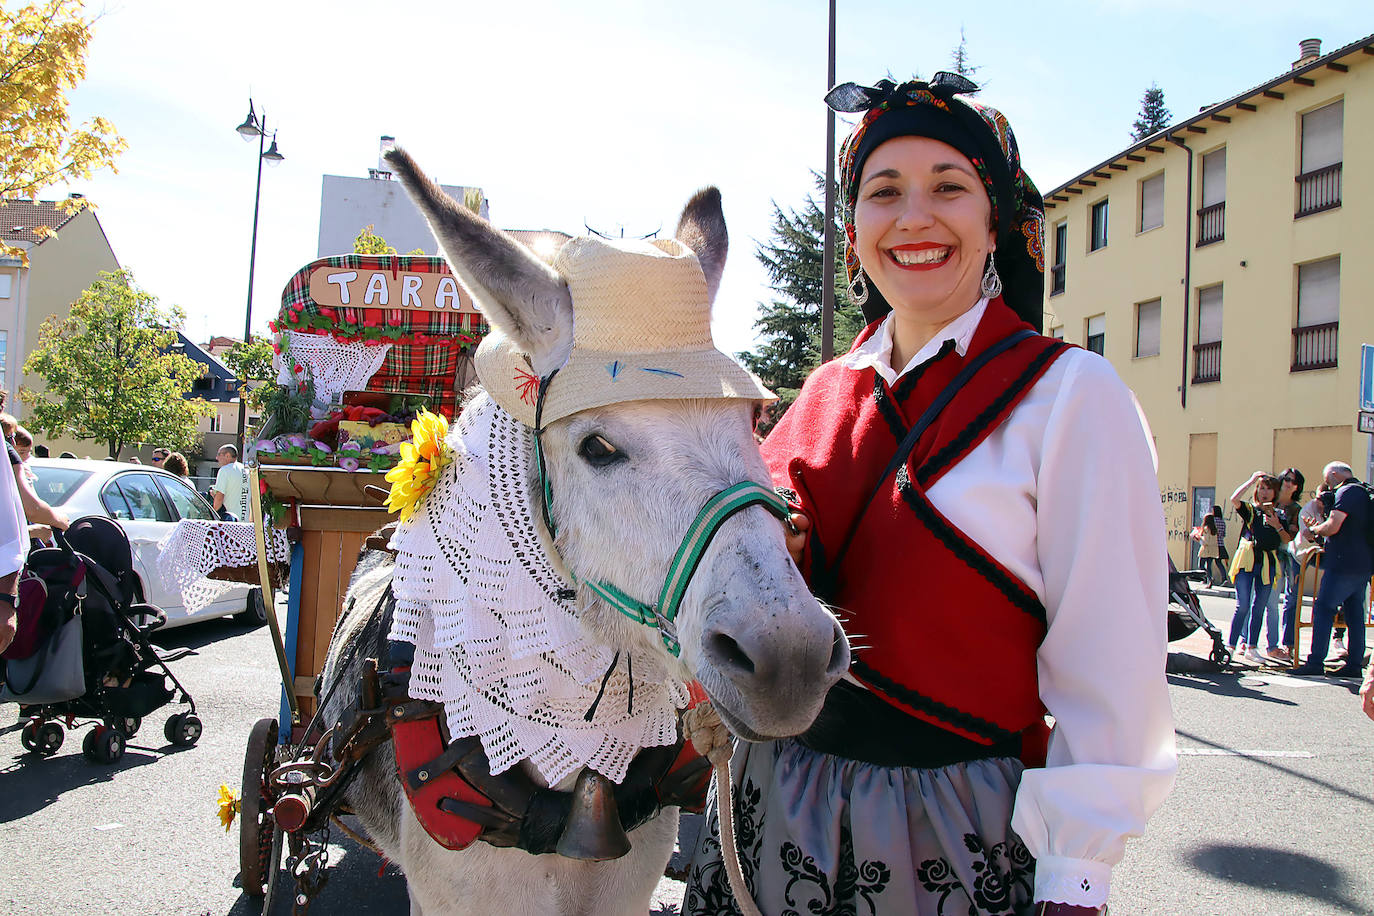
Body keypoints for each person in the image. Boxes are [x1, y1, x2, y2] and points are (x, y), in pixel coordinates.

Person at [686, 73, 1175, 916]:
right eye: (884, 192)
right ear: (856, 232)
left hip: (954, 829)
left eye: (949, 187)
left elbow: (1113, 660)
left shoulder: (1070, 397)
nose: (913, 216)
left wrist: (1077, 878)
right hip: (775, 804)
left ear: (997, 223)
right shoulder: (819, 395)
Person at [1292, 462, 1370, 677]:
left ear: (1334, 475)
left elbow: (1334, 526)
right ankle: (1354, 665)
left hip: (1342, 563)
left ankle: (1315, 662)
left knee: (1324, 608)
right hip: (1363, 564)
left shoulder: (1346, 492)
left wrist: (1315, 529)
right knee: (1355, 614)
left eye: (1328, 481)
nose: (1328, 487)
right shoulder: (1363, 492)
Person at [1226, 472, 1289, 664]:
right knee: (1243, 604)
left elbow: (1287, 539)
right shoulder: (1251, 510)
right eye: (1261, 488)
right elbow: (1234, 499)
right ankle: (1231, 645)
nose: (1265, 492)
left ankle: (1252, 646)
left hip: (1267, 562)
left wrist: (1277, 525)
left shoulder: (1280, 515)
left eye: (1269, 488)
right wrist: (1251, 480)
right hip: (1247, 560)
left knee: (1259, 606)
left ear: (1275, 492)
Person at [1263, 468, 1304, 663]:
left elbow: (1292, 538)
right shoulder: (1270, 503)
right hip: (1270, 554)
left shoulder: (1297, 510)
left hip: (1291, 557)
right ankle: (1256, 643)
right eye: (1286, 479)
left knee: (1292, 600)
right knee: (1268, 600)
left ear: (1297, 487)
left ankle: (1289, 644)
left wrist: (1278, 527)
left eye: (1293, 481)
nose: (1288, 483)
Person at [211, 444, 248, 522]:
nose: (216, 458)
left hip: (230, 521)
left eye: (219, 454)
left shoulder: (224, 470)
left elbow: (219, 498)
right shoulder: (246, 470)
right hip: (247, 522)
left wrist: (212, 514)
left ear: (227, 455)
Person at [1198, 513, 1224, 585]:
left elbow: (1206, 541)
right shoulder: (1214, 529)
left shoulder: (1206, 529)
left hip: (1206, 550)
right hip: (1213, 550)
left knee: (1201, 565)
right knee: (1209, 566)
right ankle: (1208, 580)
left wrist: (1199, 537)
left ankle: (1208, 578)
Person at [1210, 505, 1231, 585]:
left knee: (1208, 562)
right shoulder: (1222, 522)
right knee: (1218, 562)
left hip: (1213, 545)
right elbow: (1224, 534)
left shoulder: (1213, 521)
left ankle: (1209, 579)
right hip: (1221, 544)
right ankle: (1224, 578)